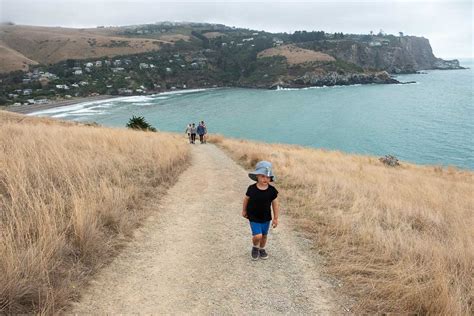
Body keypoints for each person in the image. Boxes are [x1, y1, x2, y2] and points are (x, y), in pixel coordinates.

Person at [242, 161, 279, 260]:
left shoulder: (272, 191)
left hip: (266, 217)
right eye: (262, 176)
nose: (265, 179)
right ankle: (255, 247)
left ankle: (262, 248)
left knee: (264, 235)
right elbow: (246, 199)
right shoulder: (251, 189)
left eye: (267, 177)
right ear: (257, 176)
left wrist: (276, 218)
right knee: (258, 235)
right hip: (253, 216)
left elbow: (275, 204)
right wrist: (244, 211)